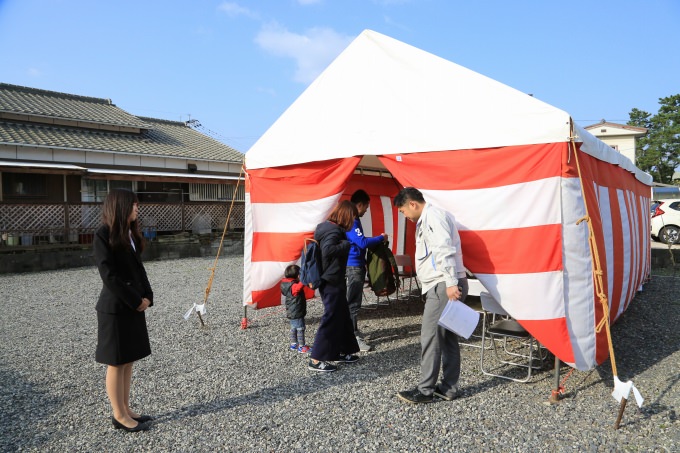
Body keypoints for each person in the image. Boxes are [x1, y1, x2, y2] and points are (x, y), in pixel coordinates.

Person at [392, 187, 468, 403]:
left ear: (412, 204)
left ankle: (425, 390)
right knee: (447, 338)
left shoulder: (432, 216)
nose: (405, 215)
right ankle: (448, 388)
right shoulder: (433, 216)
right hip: (447, 281)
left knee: (430, 336)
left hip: (443, 283)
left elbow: (444, 249)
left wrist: (451, 282)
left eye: (403, 211)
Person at [93, 189, 154, 431]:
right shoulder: (102, 235)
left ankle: (126, 408)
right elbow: (109, 275)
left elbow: (139, 270)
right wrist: (134, 299)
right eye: (133, 204)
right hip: (115, 308)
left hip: (132, 306)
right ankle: (118, 414)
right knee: (116, 363)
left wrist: (148, 296)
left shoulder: (129, 234)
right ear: (120, 206)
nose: (137, 207)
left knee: (128, 360)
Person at [308, 200, 361, 372]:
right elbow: (328, 250)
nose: (353, 221)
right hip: (331, 280)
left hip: (331, 278)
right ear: (346, 216)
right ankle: (316, 359)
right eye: (352, 217)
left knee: (342, 315)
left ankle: (343, 351)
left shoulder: (326, 227)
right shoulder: (333, 230)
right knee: (331, 316)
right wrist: (346, 244)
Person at [346, 189, 388, 352]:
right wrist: (380, 238)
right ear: (360, 205)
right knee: (353, 303)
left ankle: (352, 331)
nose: (366, 211)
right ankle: (353, 336)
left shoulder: (353, 219)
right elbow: (362, 242)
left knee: (352, 302)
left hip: (354, 264)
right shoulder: (353, 220)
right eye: (366, 208)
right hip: (353, 266)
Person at [281, 264, 316, 353]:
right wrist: (303, 279)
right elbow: (300, 286)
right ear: (297, 276)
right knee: (300, 328)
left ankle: (294, 344)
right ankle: (302, 346)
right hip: (297, 312)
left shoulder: (285, 284)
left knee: (293, 328)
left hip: (291, 312)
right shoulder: (293, 286)